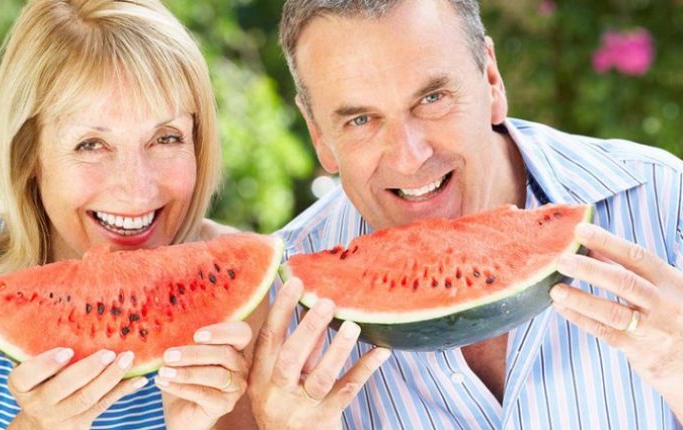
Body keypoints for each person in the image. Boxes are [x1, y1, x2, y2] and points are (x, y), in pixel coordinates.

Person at [247, 0, 683, 428]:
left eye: (433, 97)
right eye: (360, 120)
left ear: (491, 80)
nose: (409, 157)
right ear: (318, 135)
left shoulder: (664, 202)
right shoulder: (282, 308)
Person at [0, 1, 260, 429]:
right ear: (31, 156)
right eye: (91, 144)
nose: (136, 188)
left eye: (166, 137)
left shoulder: (239, 293)